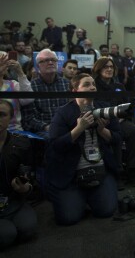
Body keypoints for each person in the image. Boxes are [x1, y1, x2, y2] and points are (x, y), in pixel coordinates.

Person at [45, 74, 121, 225]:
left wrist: (102, 131)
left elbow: (118, 138)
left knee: (106, 211)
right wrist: (79, 129)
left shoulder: (103, 109)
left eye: (93, 84)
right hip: (71, 175)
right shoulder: (63, 113)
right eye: (87, 84)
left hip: (100, 170)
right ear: (75, 91)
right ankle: (79, 197)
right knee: (68, 218)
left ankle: (88, 197)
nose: (92, 87)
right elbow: (55, 146)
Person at [91, 57, 135, 188]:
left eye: (111, 67)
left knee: (133, 130)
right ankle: (117, 173)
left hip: (118, 120)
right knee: (116, 134)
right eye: (105, 67)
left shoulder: (119, 86)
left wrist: (123, 117)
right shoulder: (93, 86)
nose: (109, 69)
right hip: (100, 121)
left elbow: (128, 105)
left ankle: (133, 171)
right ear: (98, 69)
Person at [0, 99, 38, 249]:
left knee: (27, 229)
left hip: (12, 199)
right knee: (7, 235)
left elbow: (29, 175)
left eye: (1, 115)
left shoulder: (21, 143)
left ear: (10, 117)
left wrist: (26, 188)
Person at [21, 49, 70, 137]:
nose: (51, 62)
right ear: (38, 66)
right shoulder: (30, 87)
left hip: (66, 128)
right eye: (46, 60)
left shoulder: (67, 84)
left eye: (53, 60)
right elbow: (28, 119)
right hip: (42, 131)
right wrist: (47, 127)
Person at [0, 52, 34, 131]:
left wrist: (20, 72)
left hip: (14, 130)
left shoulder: (13, 84)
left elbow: (28, 100)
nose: (2, 65)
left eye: (5, 62)